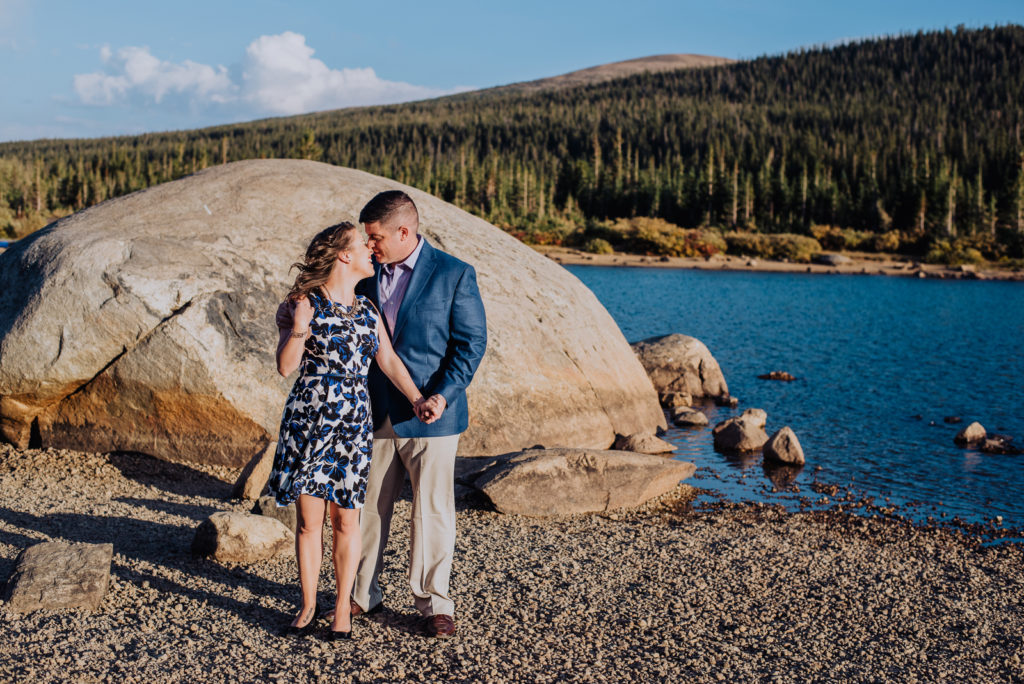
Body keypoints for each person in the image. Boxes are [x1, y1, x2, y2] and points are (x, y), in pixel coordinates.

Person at [278, 190, 487, 638]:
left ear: (403, 232)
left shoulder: (454, 274)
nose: (370, 246)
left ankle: (434, 604)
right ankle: (357, 595)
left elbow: (471, 346)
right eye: (365, 239)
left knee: (431, 512)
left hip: (431, 415)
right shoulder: (363, 277)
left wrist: (438, 396)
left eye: (375, 237)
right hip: (364, 417)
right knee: (364, 508)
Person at [269, 221, 436, 641]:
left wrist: (418, 399)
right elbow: (286, 366)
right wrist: (300, 325)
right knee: (309, 522)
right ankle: (308, 604)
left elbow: (390, 363)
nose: (369, 250)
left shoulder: (366, 310)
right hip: (309, 419)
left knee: (346, 520)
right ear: (343, 255)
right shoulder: (304, 302)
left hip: (351, 423)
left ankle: (342, 605)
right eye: (362, 244)